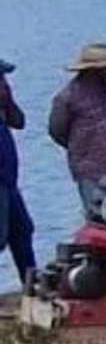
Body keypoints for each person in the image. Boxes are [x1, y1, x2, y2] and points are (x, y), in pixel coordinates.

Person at [49, 43, 106, 213]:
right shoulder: (68, 97)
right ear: (90, 70)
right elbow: (56, 131)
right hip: (90, 170)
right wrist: (81, 149)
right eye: (104, 68)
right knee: (98, 216)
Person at [0, 58, 35, 282]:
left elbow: (20, 121)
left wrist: (8, 100)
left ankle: (30, 283)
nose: (4, 83)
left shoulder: (3, 108)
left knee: (23, 230)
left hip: (9, 182)